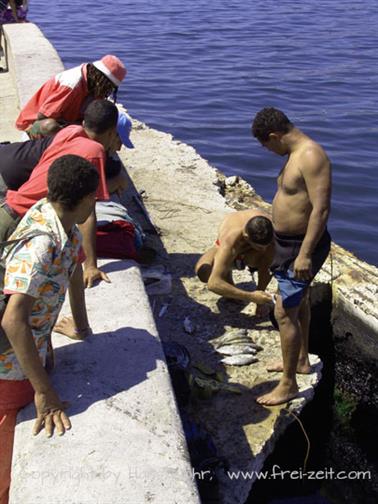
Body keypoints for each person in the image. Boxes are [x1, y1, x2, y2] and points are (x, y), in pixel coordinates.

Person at [0, 155, 99, 503]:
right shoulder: (41, 244)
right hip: (8, 369)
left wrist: (81, 326)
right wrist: (43, 391)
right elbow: (13, 320)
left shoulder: (62, 225)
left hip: (30, 349)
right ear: (87, 199)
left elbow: (72, 269)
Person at [251, 107, 331, 405]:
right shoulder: (293, 155)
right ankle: (301, 361)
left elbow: (321, 209)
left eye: (266, 145)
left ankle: (288, 384)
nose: (268, 151)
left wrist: (306, 254)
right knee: (300, 305)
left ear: (275, 136)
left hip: (301, 247)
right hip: (286, 243)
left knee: (283, 313)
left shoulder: (311, 156)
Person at [0, 99, 123, 288]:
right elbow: (88, 211)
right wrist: (90, 266)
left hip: (9, 206)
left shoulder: (69, 132)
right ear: (111, 132)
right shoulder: (94, 151)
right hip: (23, 220)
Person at [0, 111, 134, 196]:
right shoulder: (87, 150)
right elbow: (86, 194)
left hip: (8, 153)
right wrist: (116, 182)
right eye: (120, 142)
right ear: (111, 134)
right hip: (6, 177)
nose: (119, 149)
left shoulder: (73, 131)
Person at [15, 54, 126, 138]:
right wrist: (74, 128)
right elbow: (43, 116)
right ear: (100, 79)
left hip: (67, 123)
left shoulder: (93, 86)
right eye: (108, 87)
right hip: (35, 126)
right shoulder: (71, 84)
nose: (108, 91)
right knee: (51, 126)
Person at [195, 210, 274, 310]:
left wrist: (260, 298)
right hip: (227, 245)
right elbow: (213, 283)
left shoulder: (270, 231)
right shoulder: (230, 241)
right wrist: (252, 296)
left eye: (265, 246)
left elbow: (267, 268)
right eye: (259, 247)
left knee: (269, 254)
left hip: (251, 248)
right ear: (246, 237)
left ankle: (234, 288)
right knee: (204, 272)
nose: (264, 249)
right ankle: (228, 282)